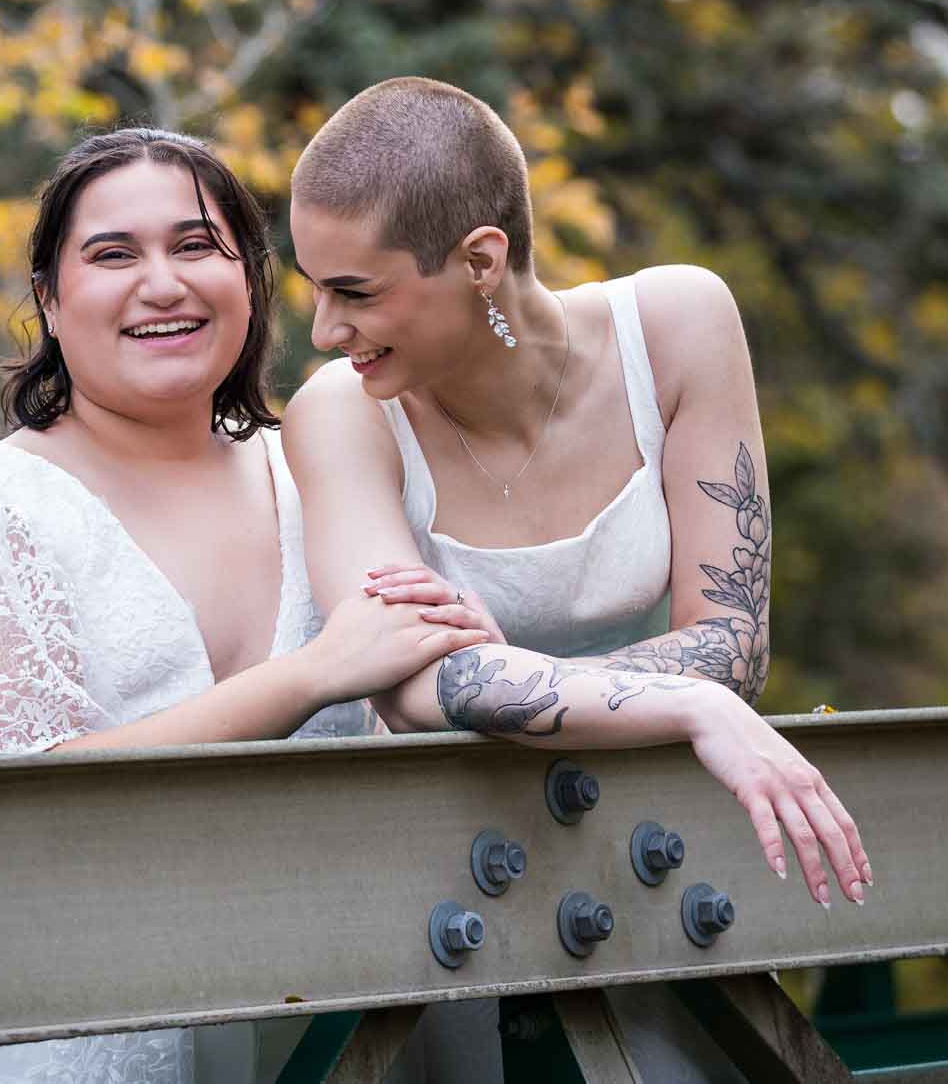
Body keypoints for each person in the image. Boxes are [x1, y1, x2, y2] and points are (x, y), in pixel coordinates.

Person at [0, 127, 494, 1084]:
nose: (163, 283)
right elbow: (10, 806)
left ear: (250, 282)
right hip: (73, 1041)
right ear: (50, 301)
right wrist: (310, 674)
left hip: (331, 1038)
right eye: (112, 255)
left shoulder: (324, 480)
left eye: (194, 246)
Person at [282, 77, 870, 1079]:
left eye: (354, 292)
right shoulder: (337, 412)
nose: (321, 330)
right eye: (312, 285)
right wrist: (681, 699)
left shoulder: (680, 324)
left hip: (647, 867)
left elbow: (731, 641)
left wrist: (695, 694)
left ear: (478, 260)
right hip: (432, 892)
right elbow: (413, 684)